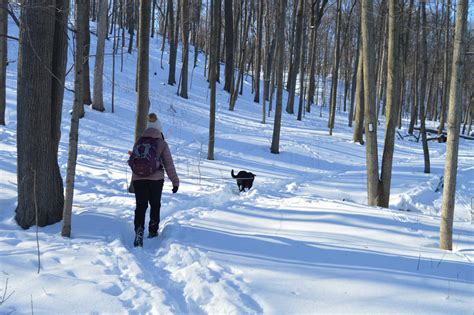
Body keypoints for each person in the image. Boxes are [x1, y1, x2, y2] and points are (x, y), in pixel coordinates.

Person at [130, 113, 179, 247]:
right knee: (155, 204)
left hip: (138, 179)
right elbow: (169, 164)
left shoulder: (139, 141)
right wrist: (175, 182)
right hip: (156, 179)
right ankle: (152, 230)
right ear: (159, 129)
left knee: (141, 206)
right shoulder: (161, 143)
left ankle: (139, 230)